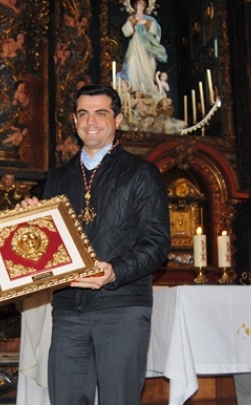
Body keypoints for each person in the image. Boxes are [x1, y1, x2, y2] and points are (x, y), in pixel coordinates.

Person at [21, 84, 171, 405]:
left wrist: (114, 271)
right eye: (83, 113)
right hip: (67, 310)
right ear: (74, 121)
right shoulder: (58, 177)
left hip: (122, 306)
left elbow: (157, 243)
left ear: (117, 120)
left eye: (101, 113)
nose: (92, 121)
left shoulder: (142, 173)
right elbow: (48, 248)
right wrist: (29, 225)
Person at [119, 0, 168, 96]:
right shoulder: (131, 18)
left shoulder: (149, 19)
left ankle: (147, 88)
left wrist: (147, 23)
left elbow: (156, 31)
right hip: (135, 43)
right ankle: (134, 87)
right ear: (135, 5)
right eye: (139, 3)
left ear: (146, 6)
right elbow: (126, 31)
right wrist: (133, 22)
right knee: (132, 62)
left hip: (147, 46)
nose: (141, 5)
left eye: (143, 4)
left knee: (148, 64)